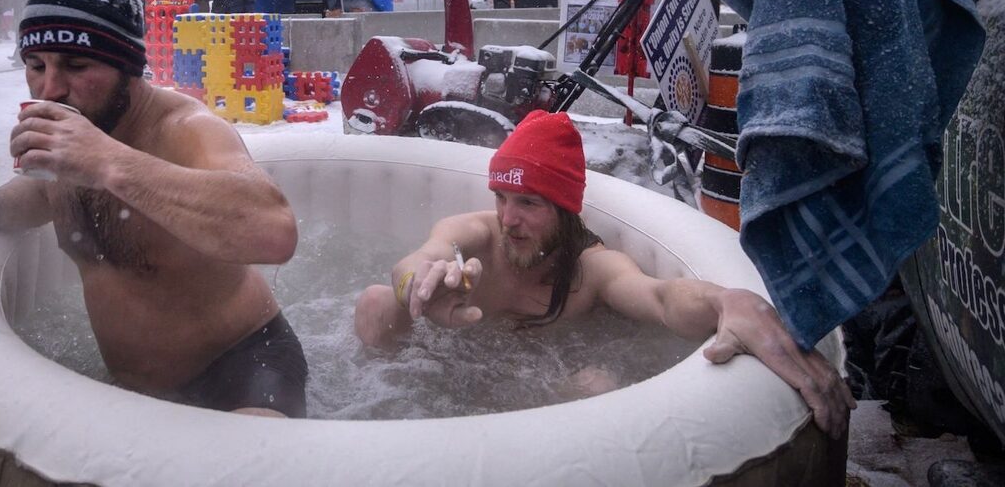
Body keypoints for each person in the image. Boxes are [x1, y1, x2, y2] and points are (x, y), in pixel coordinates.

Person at [0, 0, 307, 417]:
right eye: (35, 65)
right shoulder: (80, 124)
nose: (50, 87)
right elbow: (43, 198)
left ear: (127, 66)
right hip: (136, 388)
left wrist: (107, 162)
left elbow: (274, 232)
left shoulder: (186, 128)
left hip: (243, 361)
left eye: (76, 65)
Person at [352, 110, 855, 439]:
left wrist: (727, 302)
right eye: (502, 198)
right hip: (438, 380)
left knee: (597, 384)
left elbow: (659, 298)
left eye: (528, 203)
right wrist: (420, 281)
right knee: (376, 301)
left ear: (566, 209)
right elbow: (417, 259)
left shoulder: (592, 268)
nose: (508, 219)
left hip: (531, 406)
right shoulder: (477, 236)